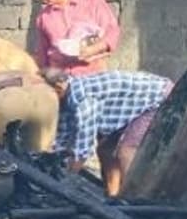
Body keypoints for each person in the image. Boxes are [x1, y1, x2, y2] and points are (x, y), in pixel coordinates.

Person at [44, 68, 172, 196]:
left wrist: (65, 181)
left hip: (158, 98)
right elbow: (62, 138)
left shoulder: (83, 102)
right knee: (105, 149)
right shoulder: (67, 96)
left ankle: (134, 198)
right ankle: (112, 195)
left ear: (58, 87)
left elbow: (82, 151)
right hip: (137, 101)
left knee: (126, 151)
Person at [33, 0, 121, 75]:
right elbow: (42, 55)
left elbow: (112, 32)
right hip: (60, 79)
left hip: (92, 75)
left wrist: (95, 49)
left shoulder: (93, 2)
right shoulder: (44, 18)